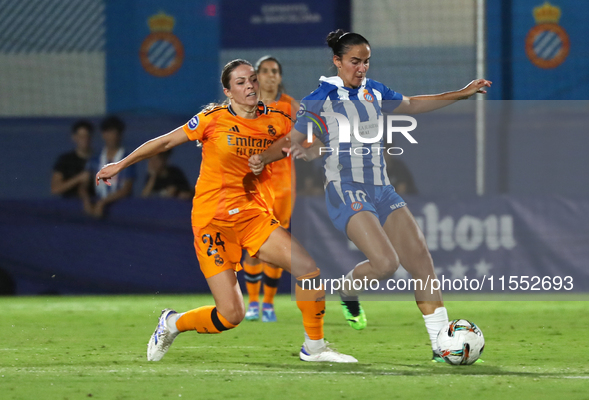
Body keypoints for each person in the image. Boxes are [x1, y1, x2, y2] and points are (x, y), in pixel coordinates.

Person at [249, 30, 491, 362]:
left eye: (366, 61)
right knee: (387, 263)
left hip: (382, 189)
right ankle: (348, 289)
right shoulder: (319, 98)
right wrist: (263, 157)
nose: (361, 68)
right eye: (354, 61)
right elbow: (294, 140)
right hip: (345, 190)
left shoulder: (375, 91)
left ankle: (441, 345)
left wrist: (462, 94)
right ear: (337, 61)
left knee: (422, 263)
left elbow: (412, 104)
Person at [95, 59, 356, 363]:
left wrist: (307, 151)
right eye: (241, 82)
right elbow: (166, 141)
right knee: (231, 315)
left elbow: (313, 146)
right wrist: (120, 164)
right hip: (212, 223)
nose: (250, 86)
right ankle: (172, 323)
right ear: (228, 91)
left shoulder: (278, 120)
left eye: (252, 80)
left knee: (308, 270)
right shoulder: (212, 119)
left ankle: (314, 346)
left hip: (252, 216)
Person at [242, 56, 299, 323]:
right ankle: (252, 301)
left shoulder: (291, 107)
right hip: (254, 185)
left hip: (283, 187)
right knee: (252, 245)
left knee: (277, 246)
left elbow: (309, 137)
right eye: (264, 71)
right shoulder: (246, 107)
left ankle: (268, 303)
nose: (269, 75)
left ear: (279, 76)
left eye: (274, 71)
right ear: (256, 77)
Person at [84, 116, 136, 218]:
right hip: (97, 209)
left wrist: (103, 203)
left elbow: (126, 188)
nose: (112, 137)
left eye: (114, 133)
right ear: (103, 135)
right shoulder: (95, 159)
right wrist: (86, 201)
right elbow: (84, 184)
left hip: (120, 210)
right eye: (108, 133)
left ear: (120, 135)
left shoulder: (128, 158)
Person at [51, 120, 94, 198]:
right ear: (74, 138)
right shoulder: (65, 161)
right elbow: (55, 188)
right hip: (69, 207)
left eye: (87, 136)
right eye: (81, 137)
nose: (84, 140)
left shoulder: (99, 159)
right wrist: (78, 178)